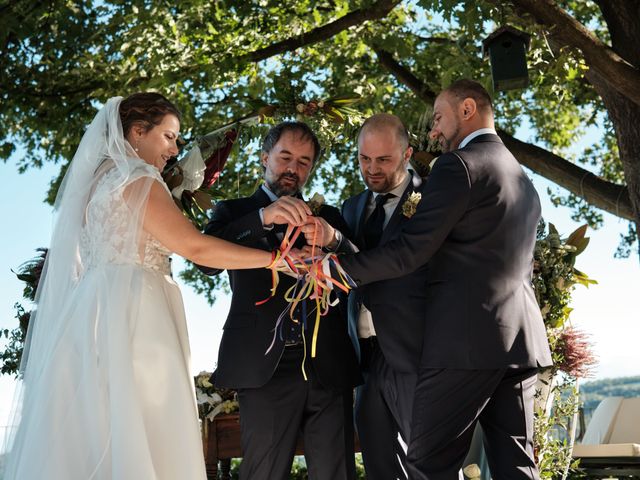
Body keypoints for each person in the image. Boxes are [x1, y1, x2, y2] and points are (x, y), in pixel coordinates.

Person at [2, 93, 277, 480]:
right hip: (138, 315)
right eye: (168, 136)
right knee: (145, 426)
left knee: (96, 431)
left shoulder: (95, 187)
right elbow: (195, 246)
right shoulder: (139, 178)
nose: (175, 148)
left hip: (91, 314)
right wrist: (274, 259)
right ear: (136, 132)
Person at [338, 80, 553, 479]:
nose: (434, 131)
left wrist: (336, 270)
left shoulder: (459, 165)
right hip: (521, 342)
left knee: (428, 465)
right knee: (517, 466)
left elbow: (410, 251)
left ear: (467, 109)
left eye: (438, 118)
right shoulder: (522, 178)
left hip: (466, 346)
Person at [197, 121, 362, 480]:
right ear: (264, 158)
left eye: (304, 162)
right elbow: (204, 262)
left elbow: (361, 270)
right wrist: (262, 219)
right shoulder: (232, 212)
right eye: (285, 156)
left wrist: (334, 240)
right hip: (263, 368)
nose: (293, 168)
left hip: (329, 367)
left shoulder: (329, 217)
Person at [303, 113, 427, 479]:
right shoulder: (353, 207)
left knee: (428, 464)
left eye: (383, 160)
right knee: (378, 462)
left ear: (407, 155)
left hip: (416, 351)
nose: (371, 169)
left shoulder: (434, 199)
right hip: (365, 356)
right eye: (364, 158)